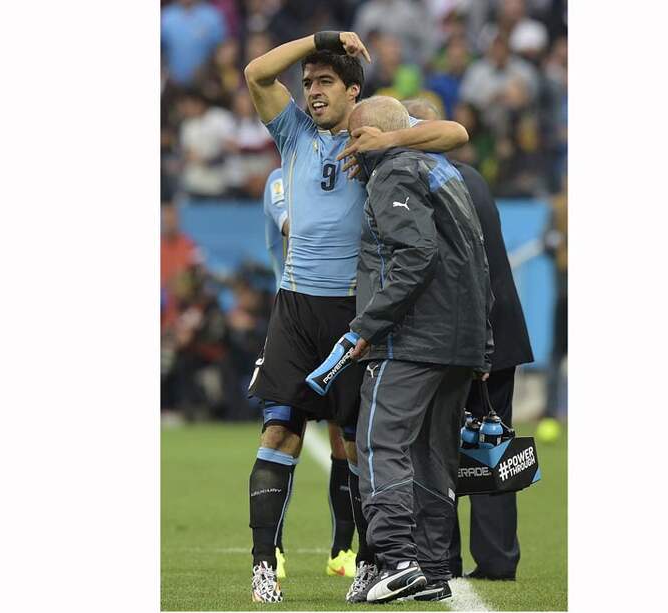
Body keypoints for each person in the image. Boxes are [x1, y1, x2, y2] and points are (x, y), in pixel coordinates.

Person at [242, 31, 469, 603]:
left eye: (324, 83)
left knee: (355, 441)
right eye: (308, 84)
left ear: (352, 91)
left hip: (354, 307)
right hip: (295, 304)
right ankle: (263, 561)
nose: (312, 93)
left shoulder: (371, 136)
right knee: (280, 431)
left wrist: (389, 136)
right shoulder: (292, 135)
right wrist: (320, 41)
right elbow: (255, 74)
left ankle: (368, 558)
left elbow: (455, 133)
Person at [342, 96, 493, 604]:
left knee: (380, 443)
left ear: (368, 136)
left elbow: (416, 255)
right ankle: (430, 566)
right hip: (459, 342)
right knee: (432, 456)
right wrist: (483, 347)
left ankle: (398, 558)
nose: (347, 150)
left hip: (410, 340)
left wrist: (366, 324)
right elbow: (477, 261)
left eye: (351, 138)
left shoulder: (395, 174)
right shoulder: (443, 171)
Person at [404, 98, 535, 581]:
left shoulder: (432, 182)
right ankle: (498, 558)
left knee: (442, 446)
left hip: (470, 336)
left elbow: (460, 271)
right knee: (490, 445)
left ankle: (444, 558)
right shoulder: (470, 177)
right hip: (499, 333)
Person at [256, 167, 358, 580]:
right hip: (295, 319)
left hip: (341, 315)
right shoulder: (282, 178)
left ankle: (342, 550)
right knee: (281, 429)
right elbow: (295, 228)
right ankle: (272, 549)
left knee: (344, 438)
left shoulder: (351, 174)